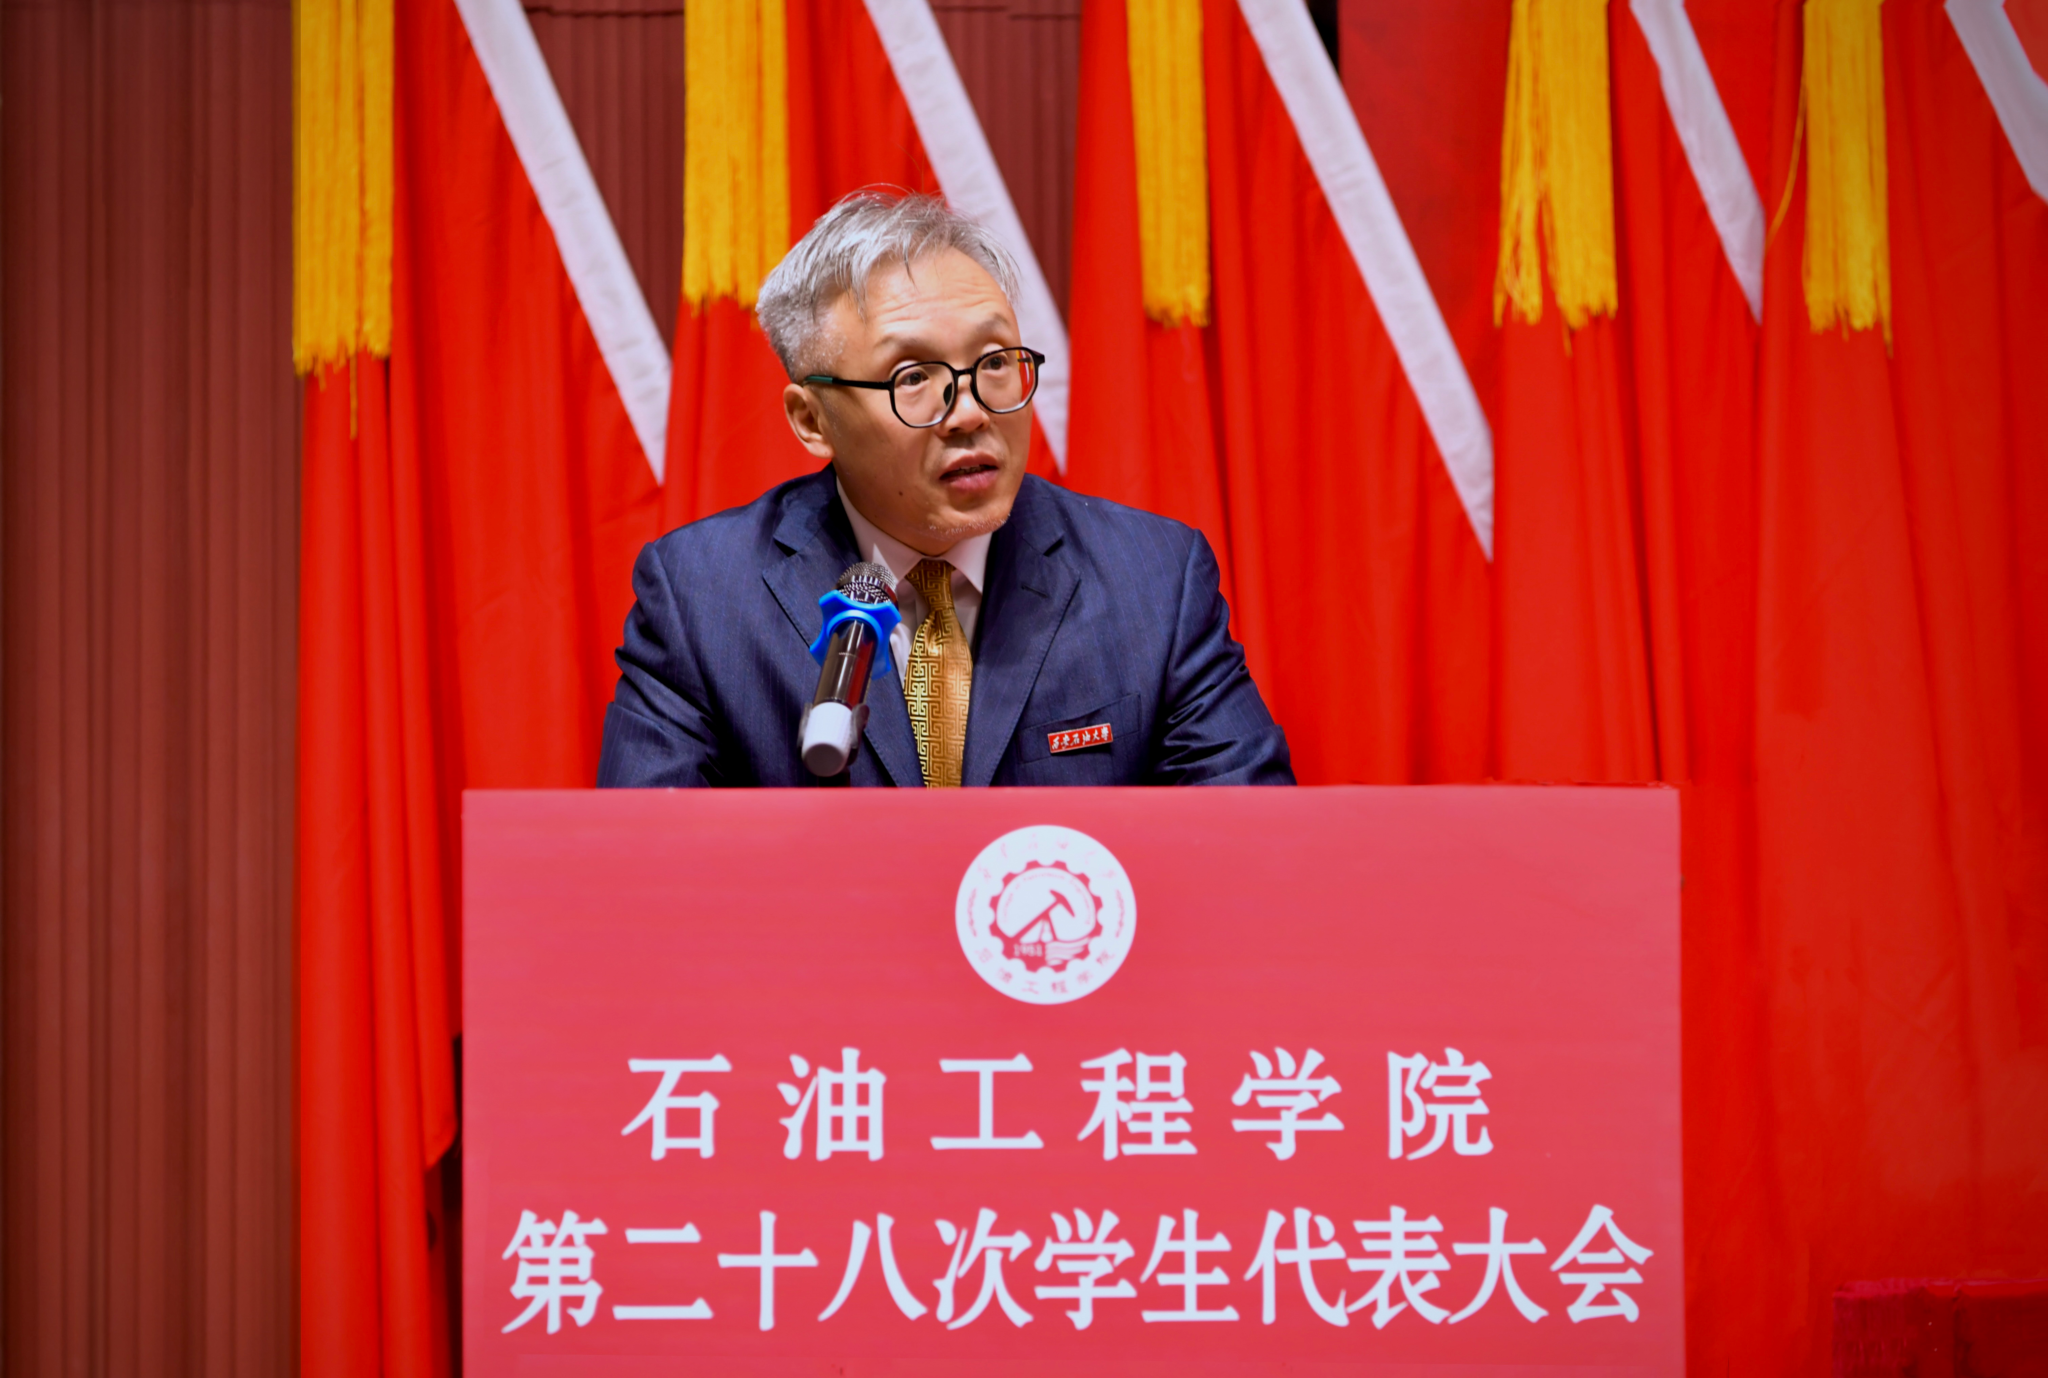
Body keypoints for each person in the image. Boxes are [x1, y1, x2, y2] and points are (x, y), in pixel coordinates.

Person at [597, 190, 1291, 788]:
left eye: (995, 362)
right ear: (812, 420)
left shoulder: (1153, 581)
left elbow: (1250, 844)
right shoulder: (703, 598)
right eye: (912, 378)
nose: (970, 412)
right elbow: (649, 867)